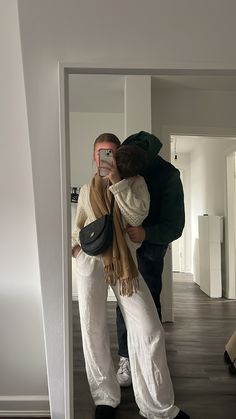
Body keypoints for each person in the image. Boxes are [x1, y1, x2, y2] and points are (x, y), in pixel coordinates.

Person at [72, 133, 190, 419]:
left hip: (124, 264)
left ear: (119, 155)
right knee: (92, 328)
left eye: (111, 153)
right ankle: (105, 398)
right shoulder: (88, 189)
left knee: (149, 328)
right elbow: (81, 222)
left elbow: (136, 216)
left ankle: (158, 407)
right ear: (93, 156)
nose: (106, 159)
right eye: (101, 154)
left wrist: (117, 182)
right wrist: (75, 246)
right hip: (91, 261)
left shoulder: (134, 183)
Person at [116, 131, 185, 388]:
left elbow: (176, 225)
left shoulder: (168, 175)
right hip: (122, 246)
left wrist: (147, 233)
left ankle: (149, 359)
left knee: (146, 305)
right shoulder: (119, 164)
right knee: (123, 303)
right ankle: (126, 358)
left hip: (150, 248)